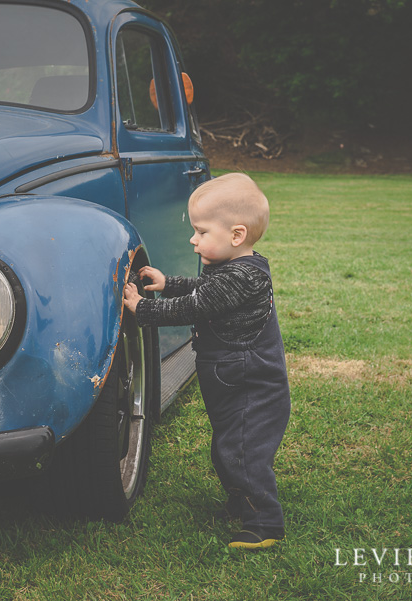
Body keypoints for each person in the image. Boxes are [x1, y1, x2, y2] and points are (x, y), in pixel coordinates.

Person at [123, 172, 291, 549]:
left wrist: (143, 309)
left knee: (243, 451)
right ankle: (241, 500)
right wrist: (168, 282)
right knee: (226, 448)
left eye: (201, 232)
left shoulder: (245, 277)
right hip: (232, 379)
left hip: (252, 384)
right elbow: (203, 287)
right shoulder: (232, 268)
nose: (192, 239)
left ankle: (265, 523)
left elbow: (197, 305)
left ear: (236, 235)